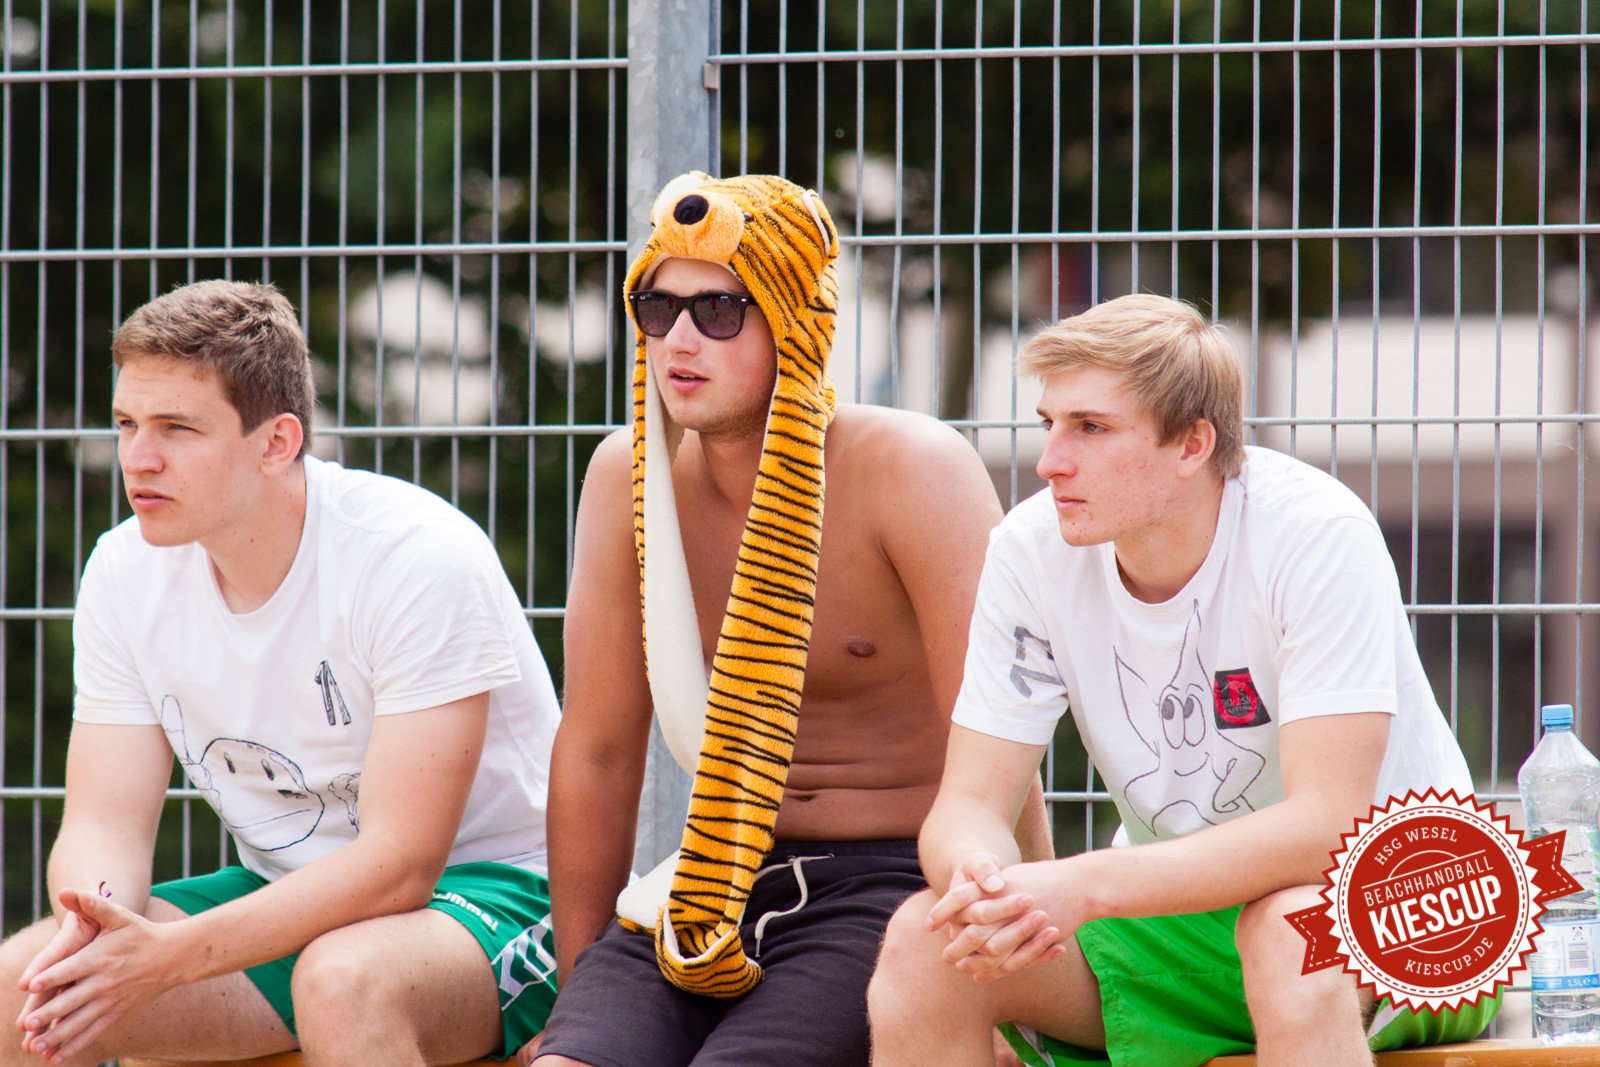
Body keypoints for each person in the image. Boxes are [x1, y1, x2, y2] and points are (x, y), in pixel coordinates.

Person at [866, 294, 1498, 1067]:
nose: (1050, 460)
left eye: (1091, 428)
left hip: (1418, 899)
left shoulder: (1315, 532)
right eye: (1049, 423)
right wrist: (981, 882)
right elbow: (968, 801)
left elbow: (1329, 827)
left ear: (1192, 443)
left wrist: (1085, 884)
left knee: (1287, 936)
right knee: (921, 943)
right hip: (1193, 912)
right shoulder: (1029, 548)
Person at [525, 173, 1049, 1067]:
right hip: (710, 878)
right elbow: (600, 749)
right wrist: (583, 994)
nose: (680, 339)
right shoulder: (628, 478)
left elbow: (1003, 749)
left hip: (891, 881)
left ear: (794, 321)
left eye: (722, 310)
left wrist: (1010, 996)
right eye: (658, 307)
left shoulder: (911, 468)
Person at [0, 280, 562, 1067]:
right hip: (290, 898)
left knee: (342, 982)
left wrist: (174, 954)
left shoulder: (417, 557)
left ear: (278, 442)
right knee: (27, 983)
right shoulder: (123, 571)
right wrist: (93, 926)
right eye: (127, 422)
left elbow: (401, 864)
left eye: (176, 428)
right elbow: (105, 824)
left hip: (503, 896)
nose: (138, 456)